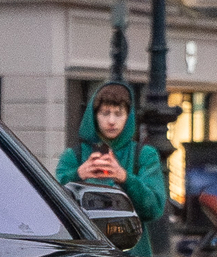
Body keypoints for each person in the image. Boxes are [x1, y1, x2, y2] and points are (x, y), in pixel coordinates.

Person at [55, 81, 167, 245]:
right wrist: (77, 175)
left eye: (118, 113)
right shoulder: (74, 156)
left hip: (132, 253)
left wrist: (125, 178)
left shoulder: (144, 155)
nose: (112, 121)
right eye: (105, 113)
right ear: (95, 115)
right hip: (85, 249)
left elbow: (154, 209)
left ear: (128, 116)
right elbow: (53, 203)